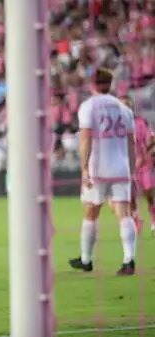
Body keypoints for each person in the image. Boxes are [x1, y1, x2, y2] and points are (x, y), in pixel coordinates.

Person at [68, 68, 137, 275]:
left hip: (98, 167)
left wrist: (84, 168)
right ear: (111, 83)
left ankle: (87, 259)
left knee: (91, 211)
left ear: (92, 84)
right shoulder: (124, 108)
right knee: (124, 214)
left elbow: (86, 138)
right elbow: (131, 143)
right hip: (121, 167)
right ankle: (129, 260)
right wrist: (131, 171)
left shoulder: (88, 107)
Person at [121, 95, 155, 235]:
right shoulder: (116, 125)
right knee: (130, 197)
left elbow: (151, 139)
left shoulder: (141, 122)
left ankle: (154, 219)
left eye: (127, 105)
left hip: (144, 165)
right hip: (126, 167)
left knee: (149, 194)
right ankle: (136, 221)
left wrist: (146, 152)